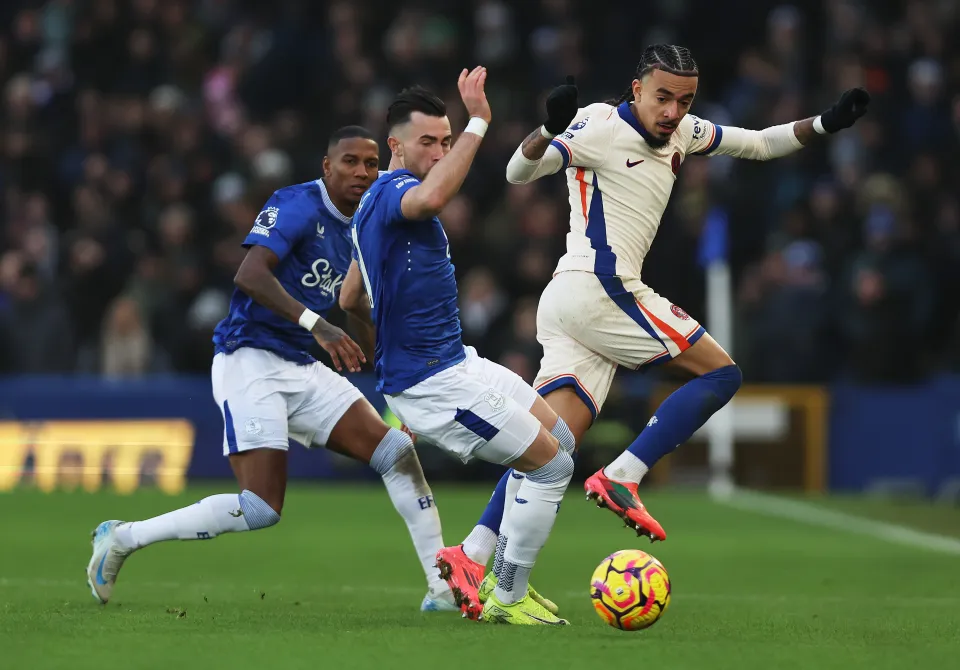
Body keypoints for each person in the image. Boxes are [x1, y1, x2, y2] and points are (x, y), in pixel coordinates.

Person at [443, 43, 870, 585]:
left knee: (550, 445)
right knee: (721, 373)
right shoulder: (597, 125)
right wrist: (548, 129)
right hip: (601, 288)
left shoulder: (684, 133)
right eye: (663, 97)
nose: (673, 111)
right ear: (637, 88)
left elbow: (761, 144)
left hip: (575, 301)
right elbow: (516, 173)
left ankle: (472, 553)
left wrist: (828, 123)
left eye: (685, 100)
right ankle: (624, 473)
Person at [86, 127, 457, 613]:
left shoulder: (372, 224)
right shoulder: (297, 204)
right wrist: (317, 325)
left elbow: (358, 312)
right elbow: (250, 273)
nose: (361, 173)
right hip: (250, 359)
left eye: (370, 165)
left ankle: (443, 589)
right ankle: (122, 538)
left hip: (301, 365)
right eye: (349, 162)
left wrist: (387, 380)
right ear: (327, 167)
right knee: (261, 509)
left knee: (396, 451)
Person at [346, 69, 577, 626]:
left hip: (454, 361)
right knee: (551, 468)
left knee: (561, 438)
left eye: (446, 142)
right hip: (435, 382)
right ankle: (508, 592)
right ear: (395, 146)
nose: (440, 151)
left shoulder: (370, 212)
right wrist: (478, 122)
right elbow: (432, 196)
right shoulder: (397, 192)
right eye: (429, 141)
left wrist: (387, 346)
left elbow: (352, 296)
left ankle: (471, 561)